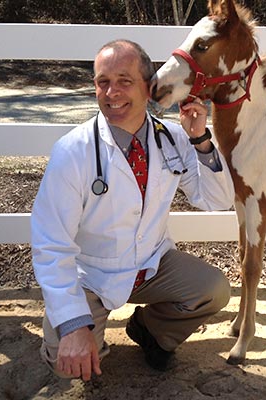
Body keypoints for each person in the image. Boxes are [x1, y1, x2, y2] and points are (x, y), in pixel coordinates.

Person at [31, 39, 235, 380]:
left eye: (124, 81)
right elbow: (51, 245)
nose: (112, 92)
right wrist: (73, 326)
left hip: (151, 264)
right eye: (103, 82)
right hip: (93, 277)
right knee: (65, 364)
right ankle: (81, 329)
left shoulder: (173, 138)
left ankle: (150, 330)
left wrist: (201, 139)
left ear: (148, 86)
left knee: (212, 290)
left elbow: (216, 200)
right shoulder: (73, 152)